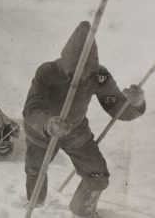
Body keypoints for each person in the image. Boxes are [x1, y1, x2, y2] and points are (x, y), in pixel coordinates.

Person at [22, 21, 146, 218]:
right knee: (36, 173)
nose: (85, 79)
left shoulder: (99, 76)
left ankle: (82, 208)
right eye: (79, 75)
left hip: (76, 132)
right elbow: (31, 110)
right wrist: (49, 123)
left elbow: (115, 105)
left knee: (99, 176)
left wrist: (135, 103)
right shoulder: (47, 72)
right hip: (44, 132)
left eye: (89, 74)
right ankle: (36, 206)